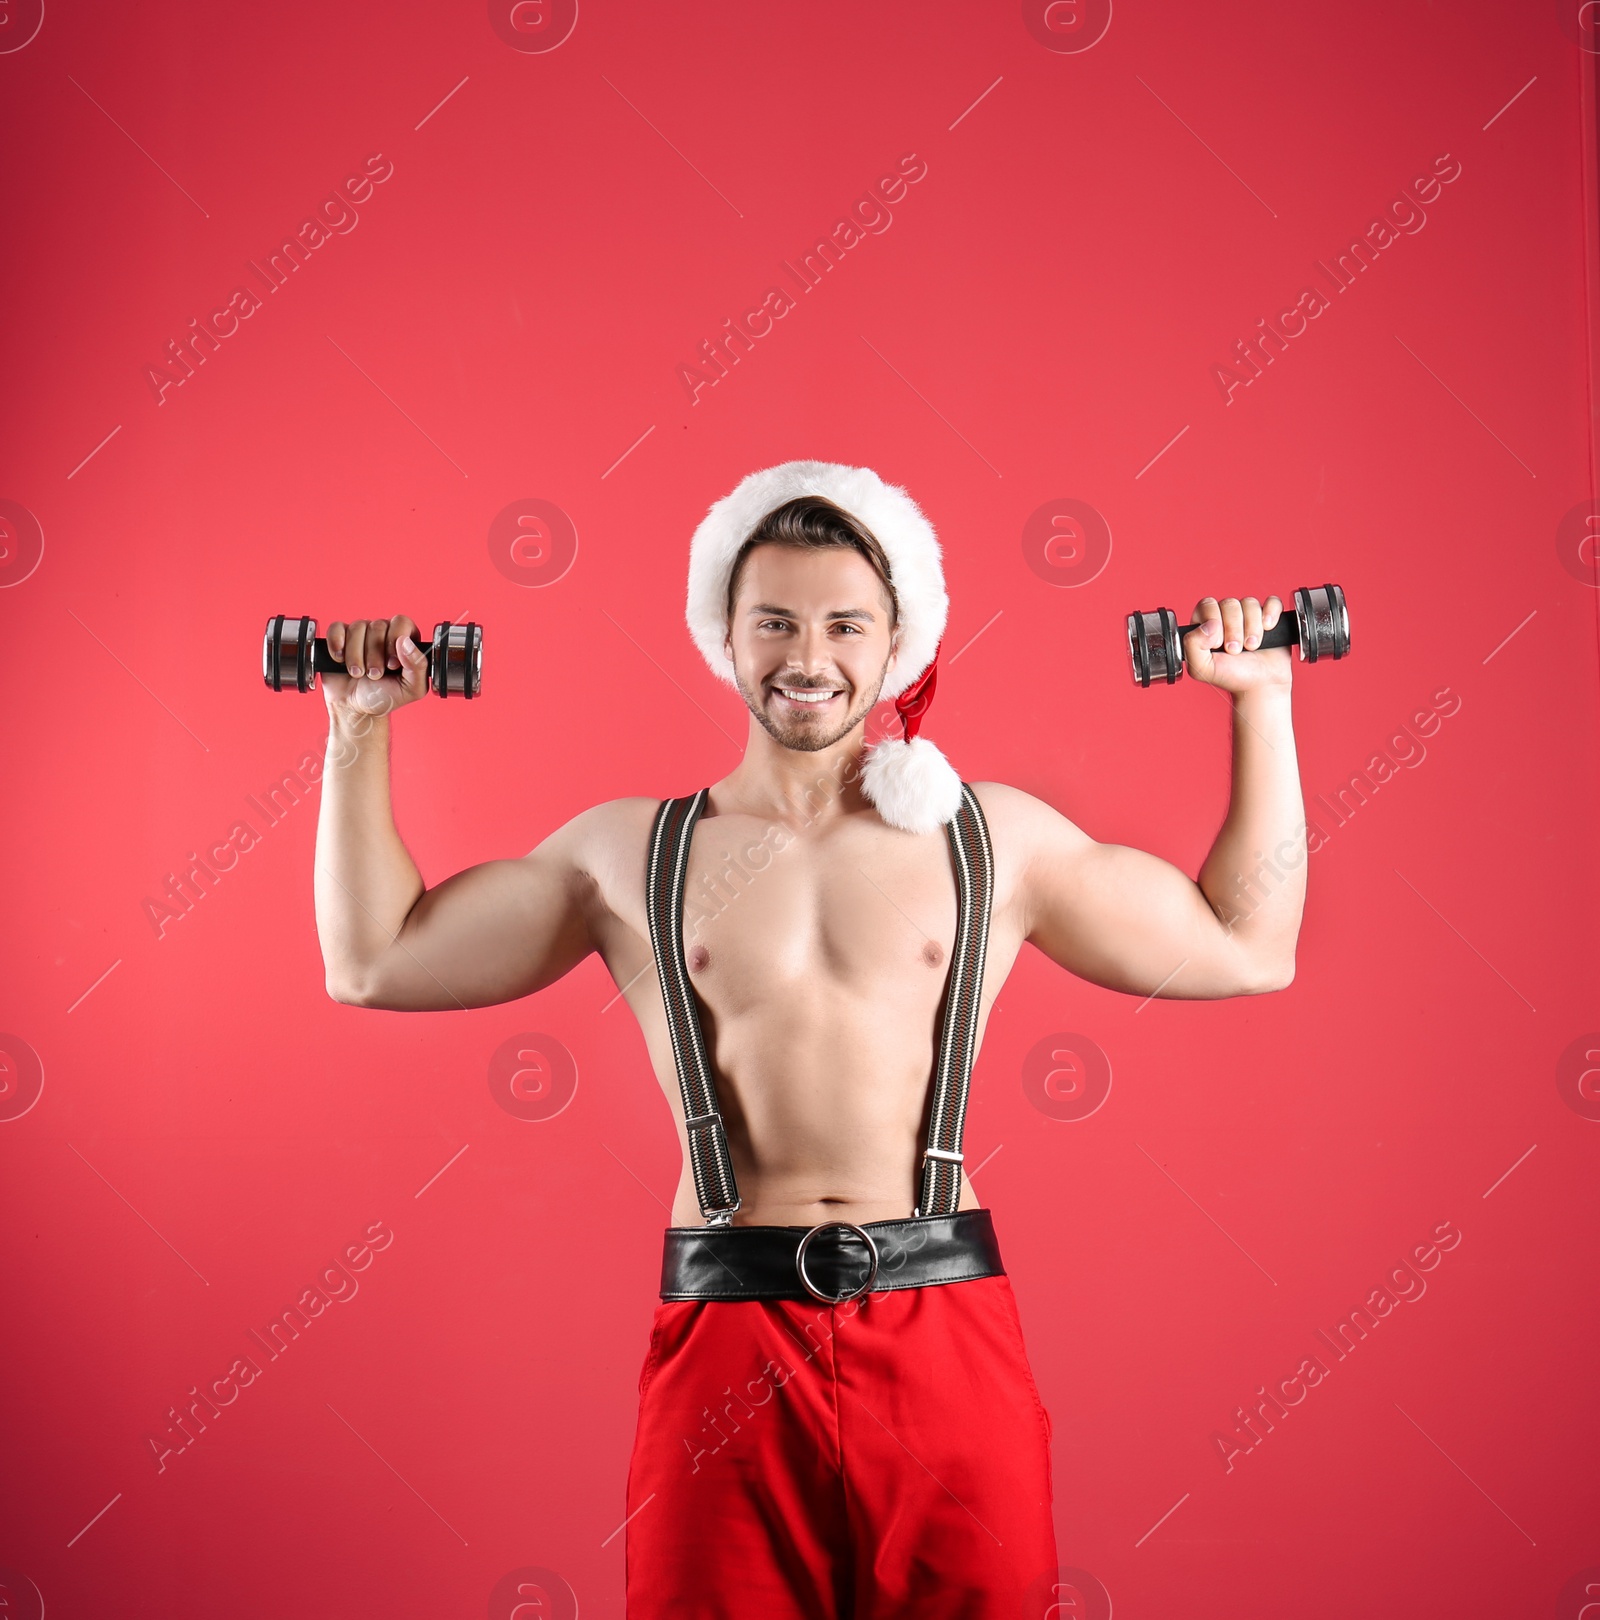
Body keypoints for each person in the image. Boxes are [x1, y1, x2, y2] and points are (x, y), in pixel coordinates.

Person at [312, 460, 1306, 1617]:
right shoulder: (626, 854)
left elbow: (1248, 947)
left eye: (845, 624)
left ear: (898, 647)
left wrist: (1261, 701)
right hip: (724, 1340)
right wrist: (357, 726)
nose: (807, 656)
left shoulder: (999, 842)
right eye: (773, 620)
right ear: (722, 637)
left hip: (944, 1335)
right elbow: (374, 960)